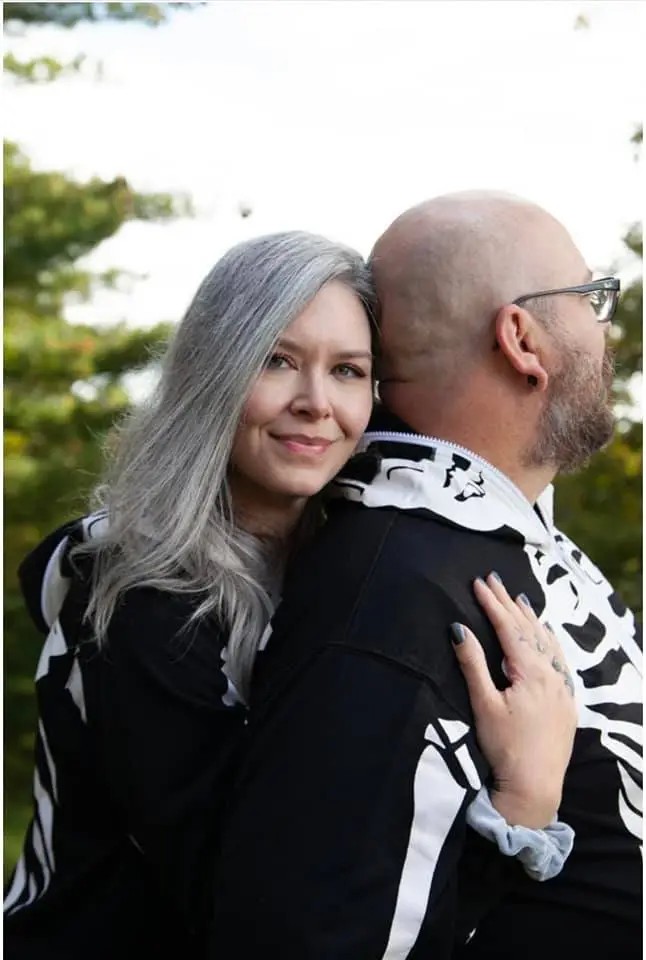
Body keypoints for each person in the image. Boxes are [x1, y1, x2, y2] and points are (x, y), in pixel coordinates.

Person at [5, 229, 576, 958]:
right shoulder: (140, 594)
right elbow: (265, 907)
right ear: (214, 374)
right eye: (276, 361)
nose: (315, 403)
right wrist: (523, 803)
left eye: (347, 371)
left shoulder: (351, 566)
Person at [208, 195, 642, 959]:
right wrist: (524, 815)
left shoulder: (483, 543)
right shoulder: (398, 598)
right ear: (522, 338)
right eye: (592, 299)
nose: (605, 328)